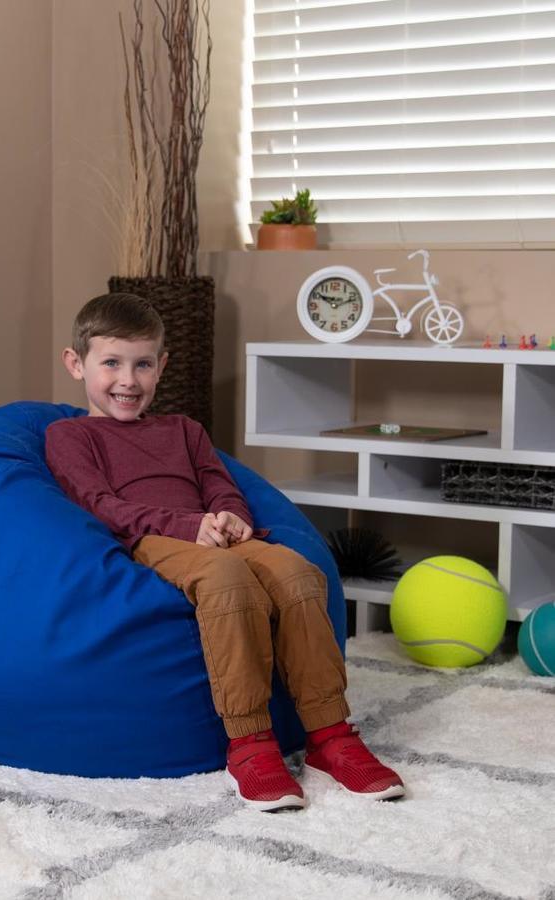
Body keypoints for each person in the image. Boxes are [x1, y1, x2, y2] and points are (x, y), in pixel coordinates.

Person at [45, 292, 405, 812]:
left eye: (143, 364)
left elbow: (220, 484)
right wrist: (188, 526)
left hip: (216, 532)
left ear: (161, 365)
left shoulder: (184, 430)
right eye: (112, 364)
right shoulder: (70, 435)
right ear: (76, 363)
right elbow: (100, 506)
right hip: (155, 541)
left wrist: (230, 515)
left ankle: (331, 735)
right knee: (227, 581)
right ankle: (250, 743)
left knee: (299, 573)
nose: (128, 380)